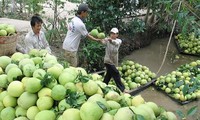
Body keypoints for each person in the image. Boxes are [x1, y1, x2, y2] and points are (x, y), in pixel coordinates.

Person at [101, 27, 130, 93]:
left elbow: (115, 43)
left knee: (109, 74)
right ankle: (122, 89)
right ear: (110, 34)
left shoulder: (119, 41)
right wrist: (100, 39)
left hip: (114, 61)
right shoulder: (107, 40)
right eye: (112, 33)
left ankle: (103, 85)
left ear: (117, 35)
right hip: (108, 61)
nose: (113, 35)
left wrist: (110, 40)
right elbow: (103, 42)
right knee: (116, 73)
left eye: (115, 34)